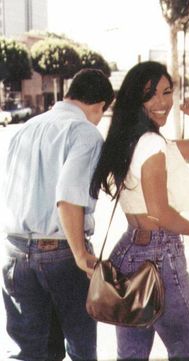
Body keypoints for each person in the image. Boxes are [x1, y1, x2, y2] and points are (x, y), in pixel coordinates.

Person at [90, 61, 189, 361]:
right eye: (151, 94)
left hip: (128, 251)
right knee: (186, 349)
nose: (162, 102)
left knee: (131, 355)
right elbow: (159, 212)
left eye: (166, 92)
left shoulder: (128, 141)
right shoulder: (152, 144)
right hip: (160, 254)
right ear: (136, 98)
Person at [0, 68, 114, 361]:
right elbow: (68, 198)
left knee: (28, 351)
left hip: (15, 253)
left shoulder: (24, 128)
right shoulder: (85, 133)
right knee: (80, 348)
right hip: (62, 253)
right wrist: (79, 254)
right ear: (99, 105)